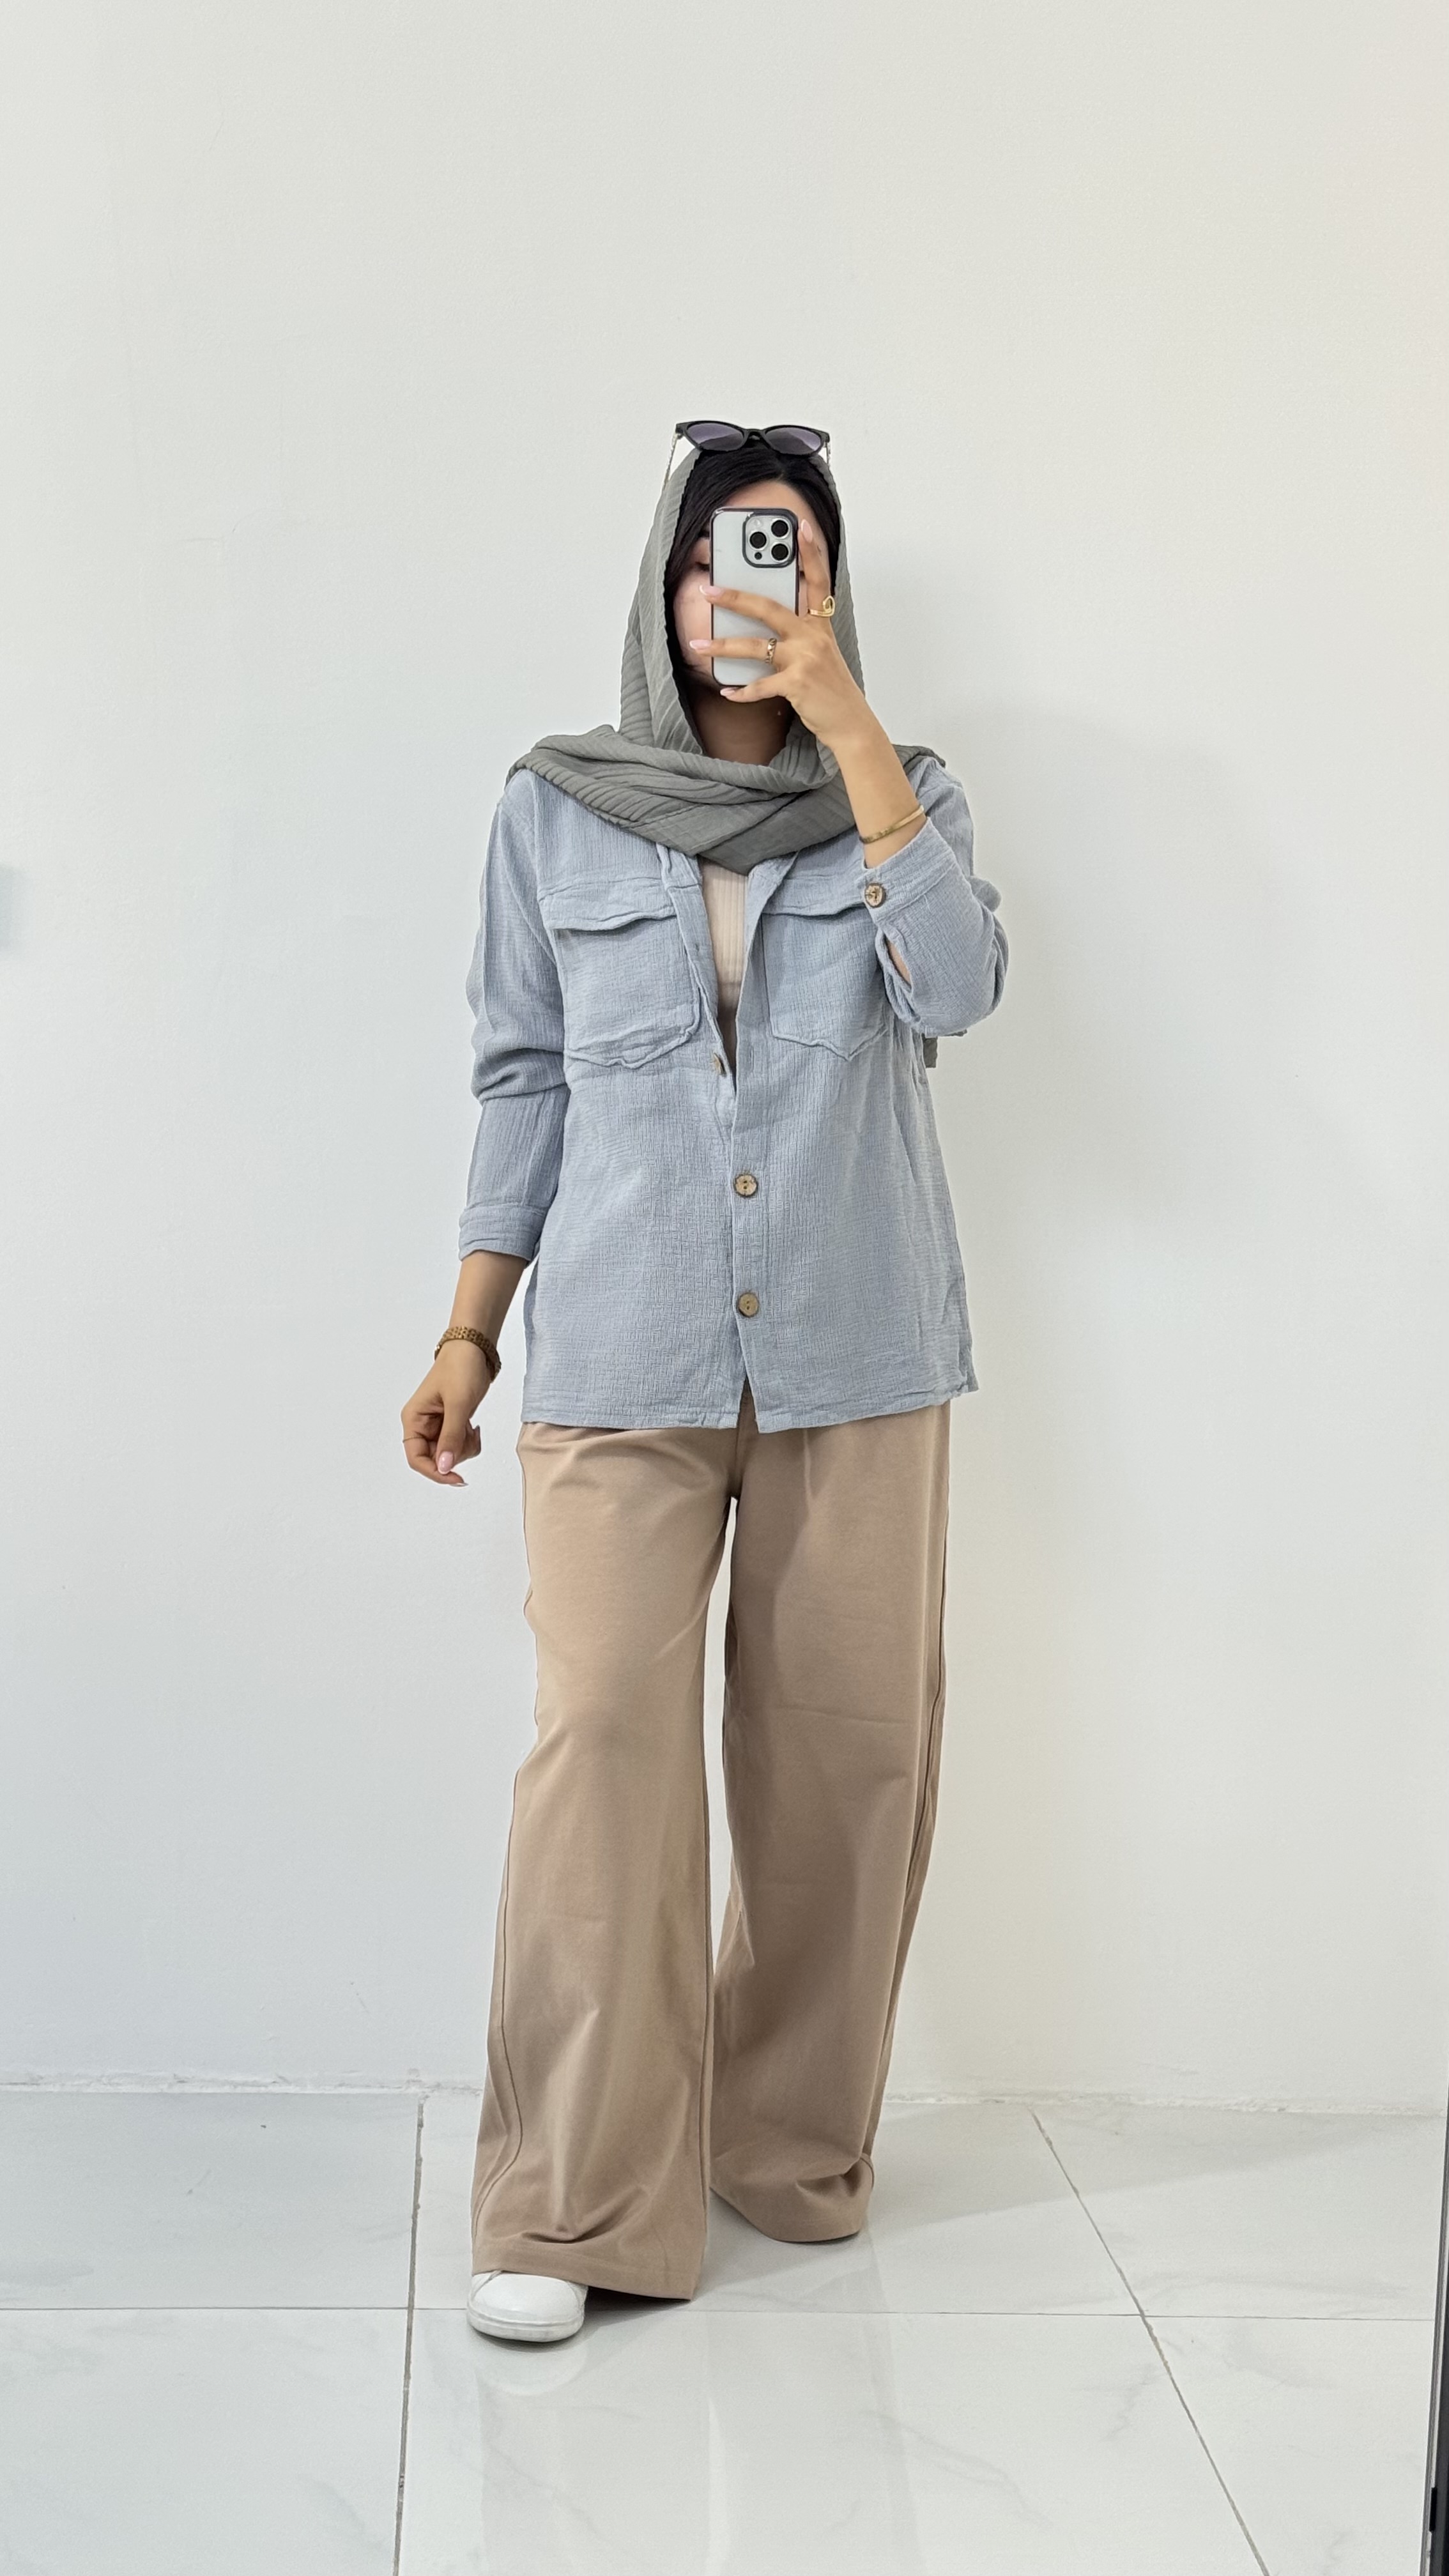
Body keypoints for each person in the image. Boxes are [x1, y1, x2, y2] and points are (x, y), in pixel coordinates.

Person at [400, 420, 1009, 2345]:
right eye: (717, 556)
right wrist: (469, 1328)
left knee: (847, 1764)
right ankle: (574, 2198)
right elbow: (524, 1078)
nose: (746, 591)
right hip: (623, 1347)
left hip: (856, 1348)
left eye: (787, 557)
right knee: (602, 1749)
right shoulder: (555, 808)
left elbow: (959, 994)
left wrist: (849, 734)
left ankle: (784, 2145)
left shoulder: (903, 789)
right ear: (663, 589)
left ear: (828, 590)